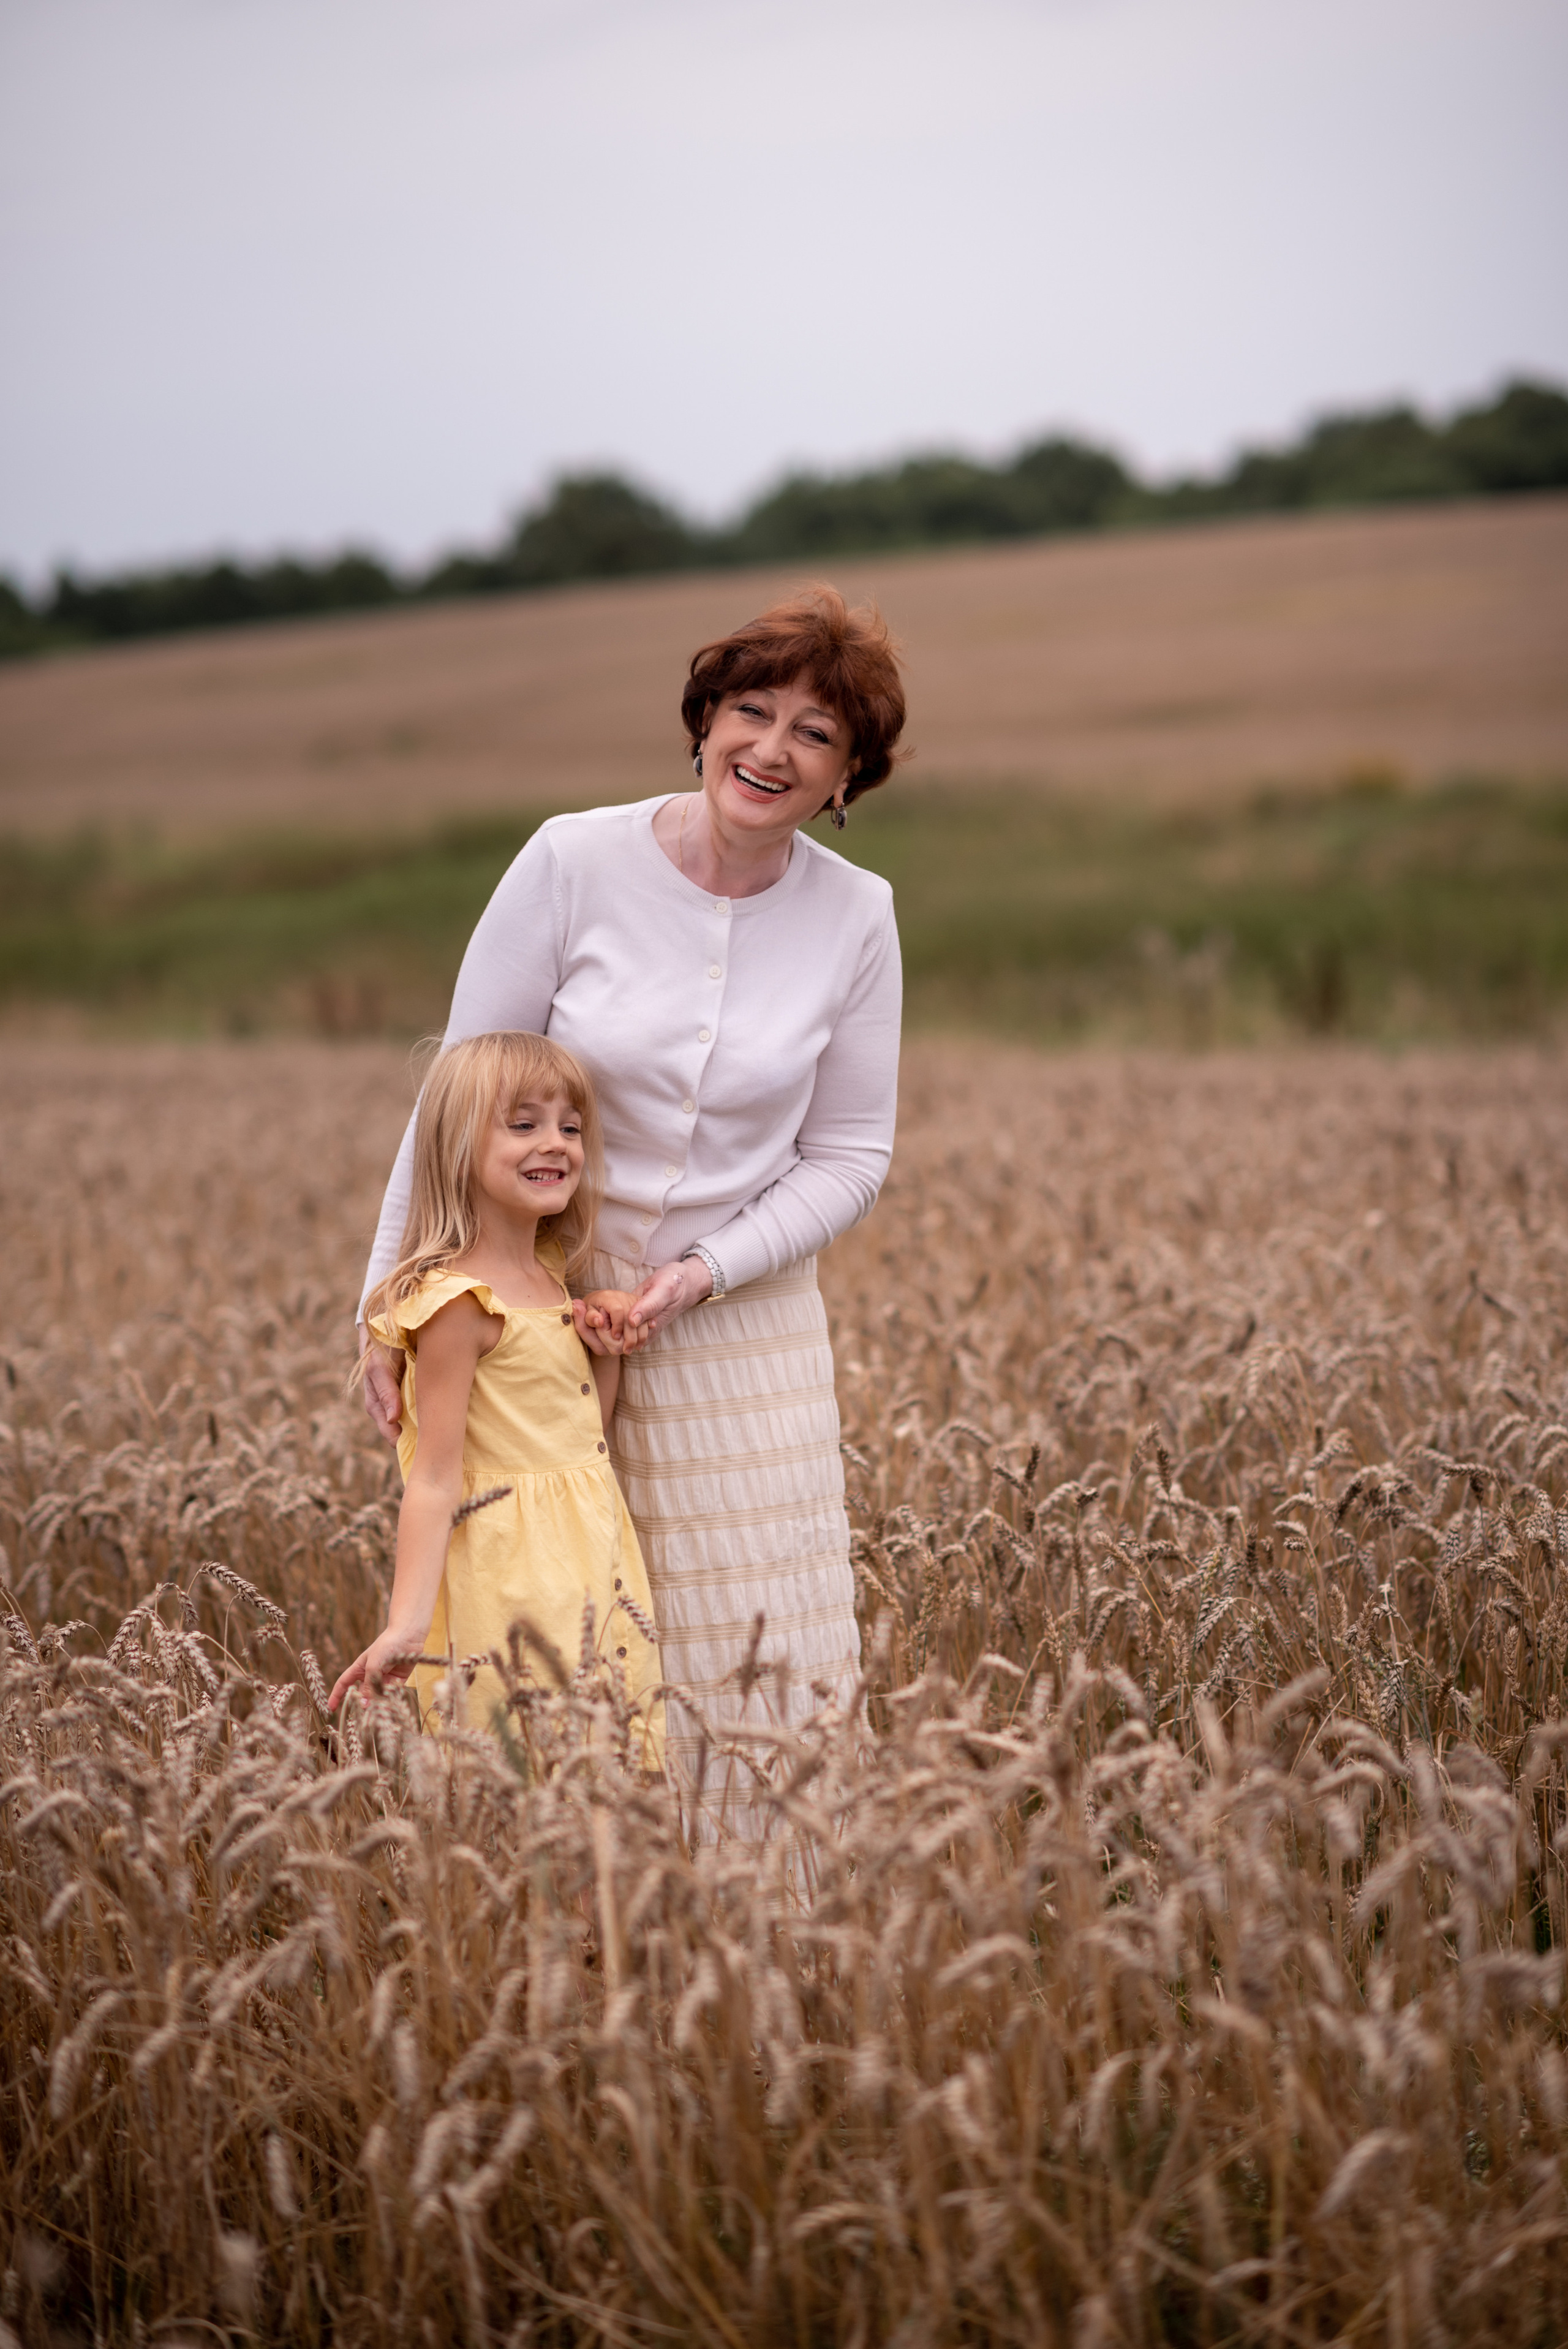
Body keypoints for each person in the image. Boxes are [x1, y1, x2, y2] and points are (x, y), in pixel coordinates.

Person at [360, 585, 906, 1838]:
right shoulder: (570, 859)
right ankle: (579, 1932)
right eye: (747, 711)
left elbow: (848, 1155)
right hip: (535, 1327)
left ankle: (769, 1970)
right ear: (701, 722)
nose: (769, 748)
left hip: (741, 1341)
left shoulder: (856, 917)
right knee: (553, 1648)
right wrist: (383, 1302)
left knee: (756, 1659)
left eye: (813, 734)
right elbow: (458, 1090)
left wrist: (700, 1271)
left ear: (844, 777)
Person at [331, 1030, 663, 1769]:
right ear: (457, 1148)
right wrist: (407, 1624)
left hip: (593, 1563)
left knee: (606, 1790)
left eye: (570, 1127)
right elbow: (434, 1477)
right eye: (523, 1124)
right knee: (535, 1778)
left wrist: (602, 1350)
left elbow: (583, 1437)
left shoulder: (551, 1275)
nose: (555, 1143)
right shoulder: (458, 1304)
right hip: (513, 1577)